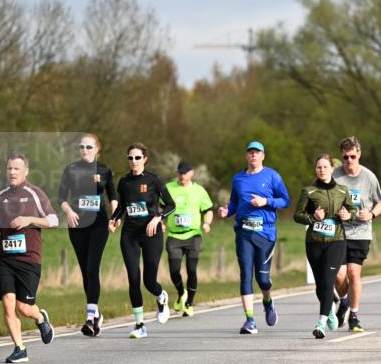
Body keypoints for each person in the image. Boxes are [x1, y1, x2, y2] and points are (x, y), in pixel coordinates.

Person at [0, 153, 57, 363]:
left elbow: (53, 220)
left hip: (28, 259)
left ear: (25, 171)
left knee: (24, 307)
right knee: (8, 303)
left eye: (16, 169)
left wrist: (28, 219)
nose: (12, 172)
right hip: (5, 258)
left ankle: (40, 317)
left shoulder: (35, 193)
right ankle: (20, 348)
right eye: (9, 168)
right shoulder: (0, 196)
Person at [217, 141, 291, 334]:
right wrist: (227, 211)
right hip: (243, 232)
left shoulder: (272, 176)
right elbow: (234, 203)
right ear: (246, 156)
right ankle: (250, 320)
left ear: (263, 156)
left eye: (257, 153)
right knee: (245, 275)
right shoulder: (238, 179)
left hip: (265, 233)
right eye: (250, 153)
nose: (253, 156)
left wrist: (265, 201)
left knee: (263, 280)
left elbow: (285, 200)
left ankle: (268, 302)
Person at [109, 143, 175, 338]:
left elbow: (171, 205)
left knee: (148, 281)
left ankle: (161, 296)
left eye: (138, 158)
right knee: (133, 278)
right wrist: (114, 219)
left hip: (151, 235)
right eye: (130, 158)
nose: (134, 161)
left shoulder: (154, 180)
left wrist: (158, 218)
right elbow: (122, 206)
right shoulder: (124, 182)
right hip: (130, 235)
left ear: (145, 159)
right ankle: (139, 325)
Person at [57, 134, 116, 337]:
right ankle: (97, 314)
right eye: (81, 147)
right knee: (85, 271)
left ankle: (90, 318)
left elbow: (113, 196)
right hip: (77, 224)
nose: (85, 150)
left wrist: (114, 218)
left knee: (92, 267)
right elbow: (61, 197)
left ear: (97, 148)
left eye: (89, 147)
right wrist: (69, 212)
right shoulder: (71, 169)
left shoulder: (104, 169)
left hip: (99, 224)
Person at [294, 153, 358, 339]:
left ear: (331, 169)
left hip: (336, 241)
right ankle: (329, 310)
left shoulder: (343, 191)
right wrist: (312, 218)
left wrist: (349, 216)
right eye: (319, 167)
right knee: (320, 285)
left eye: (325, 167)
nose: (322, 170)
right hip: (314, 242)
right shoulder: (309, 191)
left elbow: (353, 210)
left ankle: (320, 323)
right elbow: (297, 215)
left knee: (329, 281)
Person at [332, 136, 381, 332]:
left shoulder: (369, 177)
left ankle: (354, 315)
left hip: (360, 232)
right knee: (339, 276)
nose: (349, 161)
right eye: (345, 157)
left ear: (359, 154)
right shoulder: (334, 176)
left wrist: (371, 214)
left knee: (354, 273)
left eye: (352, 157)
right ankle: (344, 301)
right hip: (338, 232)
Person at [164, 161, 214, 317]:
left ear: (192, 173)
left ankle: (189, 303)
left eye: (185, 173)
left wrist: (206, 223)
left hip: (193, 235)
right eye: (180, 172)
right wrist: (160, 222)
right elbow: (160, 207)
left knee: (192, 270)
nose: (182, 175)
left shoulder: (199, 191)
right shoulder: (169, 188)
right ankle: (181, 293)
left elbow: (208, 210)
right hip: (174, 235)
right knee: (174, 270)